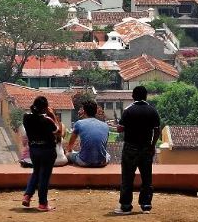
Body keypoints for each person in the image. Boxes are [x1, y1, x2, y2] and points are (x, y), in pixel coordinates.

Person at [114, 86, 162, 215]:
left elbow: (120, 129)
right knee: (147, 177)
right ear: (146, 96)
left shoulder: (128, 111)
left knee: (127, 177)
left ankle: (126, 205)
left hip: (130, 147)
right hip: (146, 147)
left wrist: (120, 125)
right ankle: (146, 204)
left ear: (133, 96)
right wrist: (152, 145)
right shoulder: (153, 111)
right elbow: (157, 130)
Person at [21, 95, 60, 211]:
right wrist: (52, 115)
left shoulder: (26, 118)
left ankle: (27, 195)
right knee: (44, 177)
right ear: (45, 108)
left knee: (36, 172)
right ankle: (43, 203)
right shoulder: (47, 120)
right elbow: (58, 132)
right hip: (47, 150)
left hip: (34, 149)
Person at [64, 100, 110, 167]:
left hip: (84, 162)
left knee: (68, 155)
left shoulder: (79, 123)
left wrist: (69, 151)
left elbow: (71, 143)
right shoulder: (105, 125)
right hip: (101, 162)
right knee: (108, 155)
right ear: (96, 111)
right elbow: (103, 144)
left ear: (84, 111)